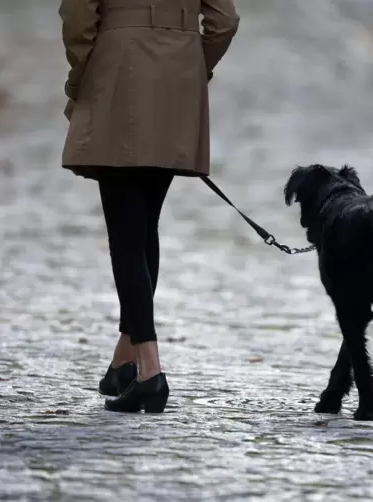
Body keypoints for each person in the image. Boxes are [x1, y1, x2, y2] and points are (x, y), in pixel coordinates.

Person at [59, 0, 239, 413]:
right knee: (144, 227)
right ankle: (125, 360)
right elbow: (225, 21)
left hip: (119, 67)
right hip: (178, 75)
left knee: (126, 235)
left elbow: (78, 18)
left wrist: (80, 75)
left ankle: (151, 372)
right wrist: (192, 64)